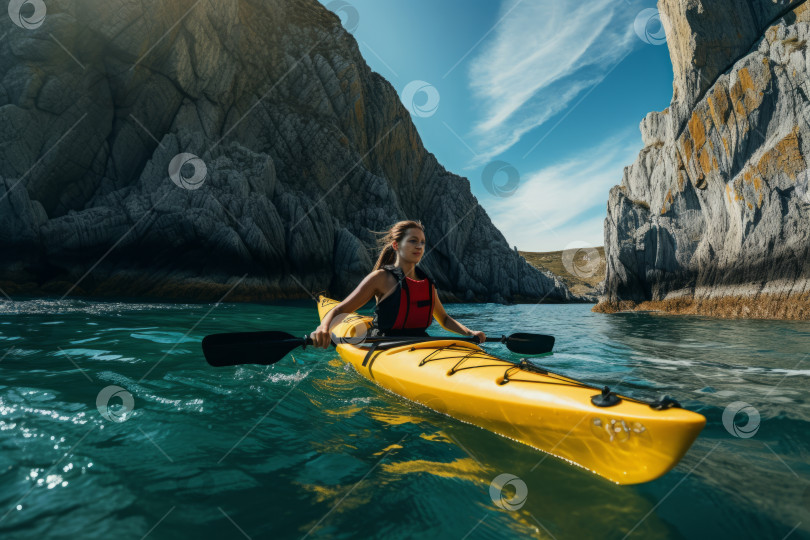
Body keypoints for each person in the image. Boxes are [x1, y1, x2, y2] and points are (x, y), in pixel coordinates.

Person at [310, 220, 486, 348]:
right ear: (395, 245)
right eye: (413, 241)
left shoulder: (427, 283)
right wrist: (323, 328)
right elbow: (340, 310)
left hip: (421, 344)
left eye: (422, 242)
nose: (419, 246)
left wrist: (470, 333)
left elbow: (445, 319)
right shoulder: (380, 278)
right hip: (384, 345)